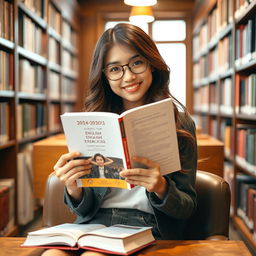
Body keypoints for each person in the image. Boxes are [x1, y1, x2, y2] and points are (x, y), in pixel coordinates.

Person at [42, 23, 197, 256]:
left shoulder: (180, 124)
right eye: (115, 69)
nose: (128, 76)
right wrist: (73, 187)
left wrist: (162, 187)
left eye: (137, 63)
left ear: (151, 64)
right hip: (94, 224)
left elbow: (187, 208)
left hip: (149, 226)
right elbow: (85, 208)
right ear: (104, 75)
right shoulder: (92, 122)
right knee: (51, 255)